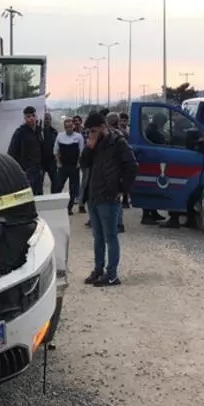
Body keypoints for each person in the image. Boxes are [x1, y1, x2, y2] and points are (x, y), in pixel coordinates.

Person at [80, 111, 137, 287]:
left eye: (94, 131)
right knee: (97, 236)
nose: (91, 134)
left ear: (104, 127)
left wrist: (121, 189)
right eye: (88, 132)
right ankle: (98, 269)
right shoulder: (92, 144)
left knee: (110, 236)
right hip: (93, 195)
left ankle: (112, 274)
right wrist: (89, 147)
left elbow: (132, 166)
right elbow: (83, 164)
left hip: (109, 196)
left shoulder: (117, 142)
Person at [7, 106, 44, 195]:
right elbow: (11, 152)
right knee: (28, 195)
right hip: (27, 170)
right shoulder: (20, 132)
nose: (31, 118)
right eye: (28, 116)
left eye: (33, 115)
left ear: (36, 117)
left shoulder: (39, 131)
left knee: (38, 195)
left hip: (38, 169)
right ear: (25, 118)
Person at [53, 118, 85, 214]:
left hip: (74, 166)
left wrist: (78, 163)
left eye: (70, 127)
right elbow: (56, 151)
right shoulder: (60, 136)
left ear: (73, 127)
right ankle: (56, 206)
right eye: (67, 127)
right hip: (63, 166)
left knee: (73, 189)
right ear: (64, 127)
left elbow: (81, 151)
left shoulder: (78, 137)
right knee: (58, 187)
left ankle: (69, 208)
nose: (69, 129)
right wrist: (58, 163)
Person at [41, 112, 59, 193]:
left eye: (48, 119)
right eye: (45, 119)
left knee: (55, 182)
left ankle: (54, 197)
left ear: (51, 120)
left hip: (52, 161)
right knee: (38, 184)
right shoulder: (38, 132)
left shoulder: (54, 132)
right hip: (41, 162)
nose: (47, 120)